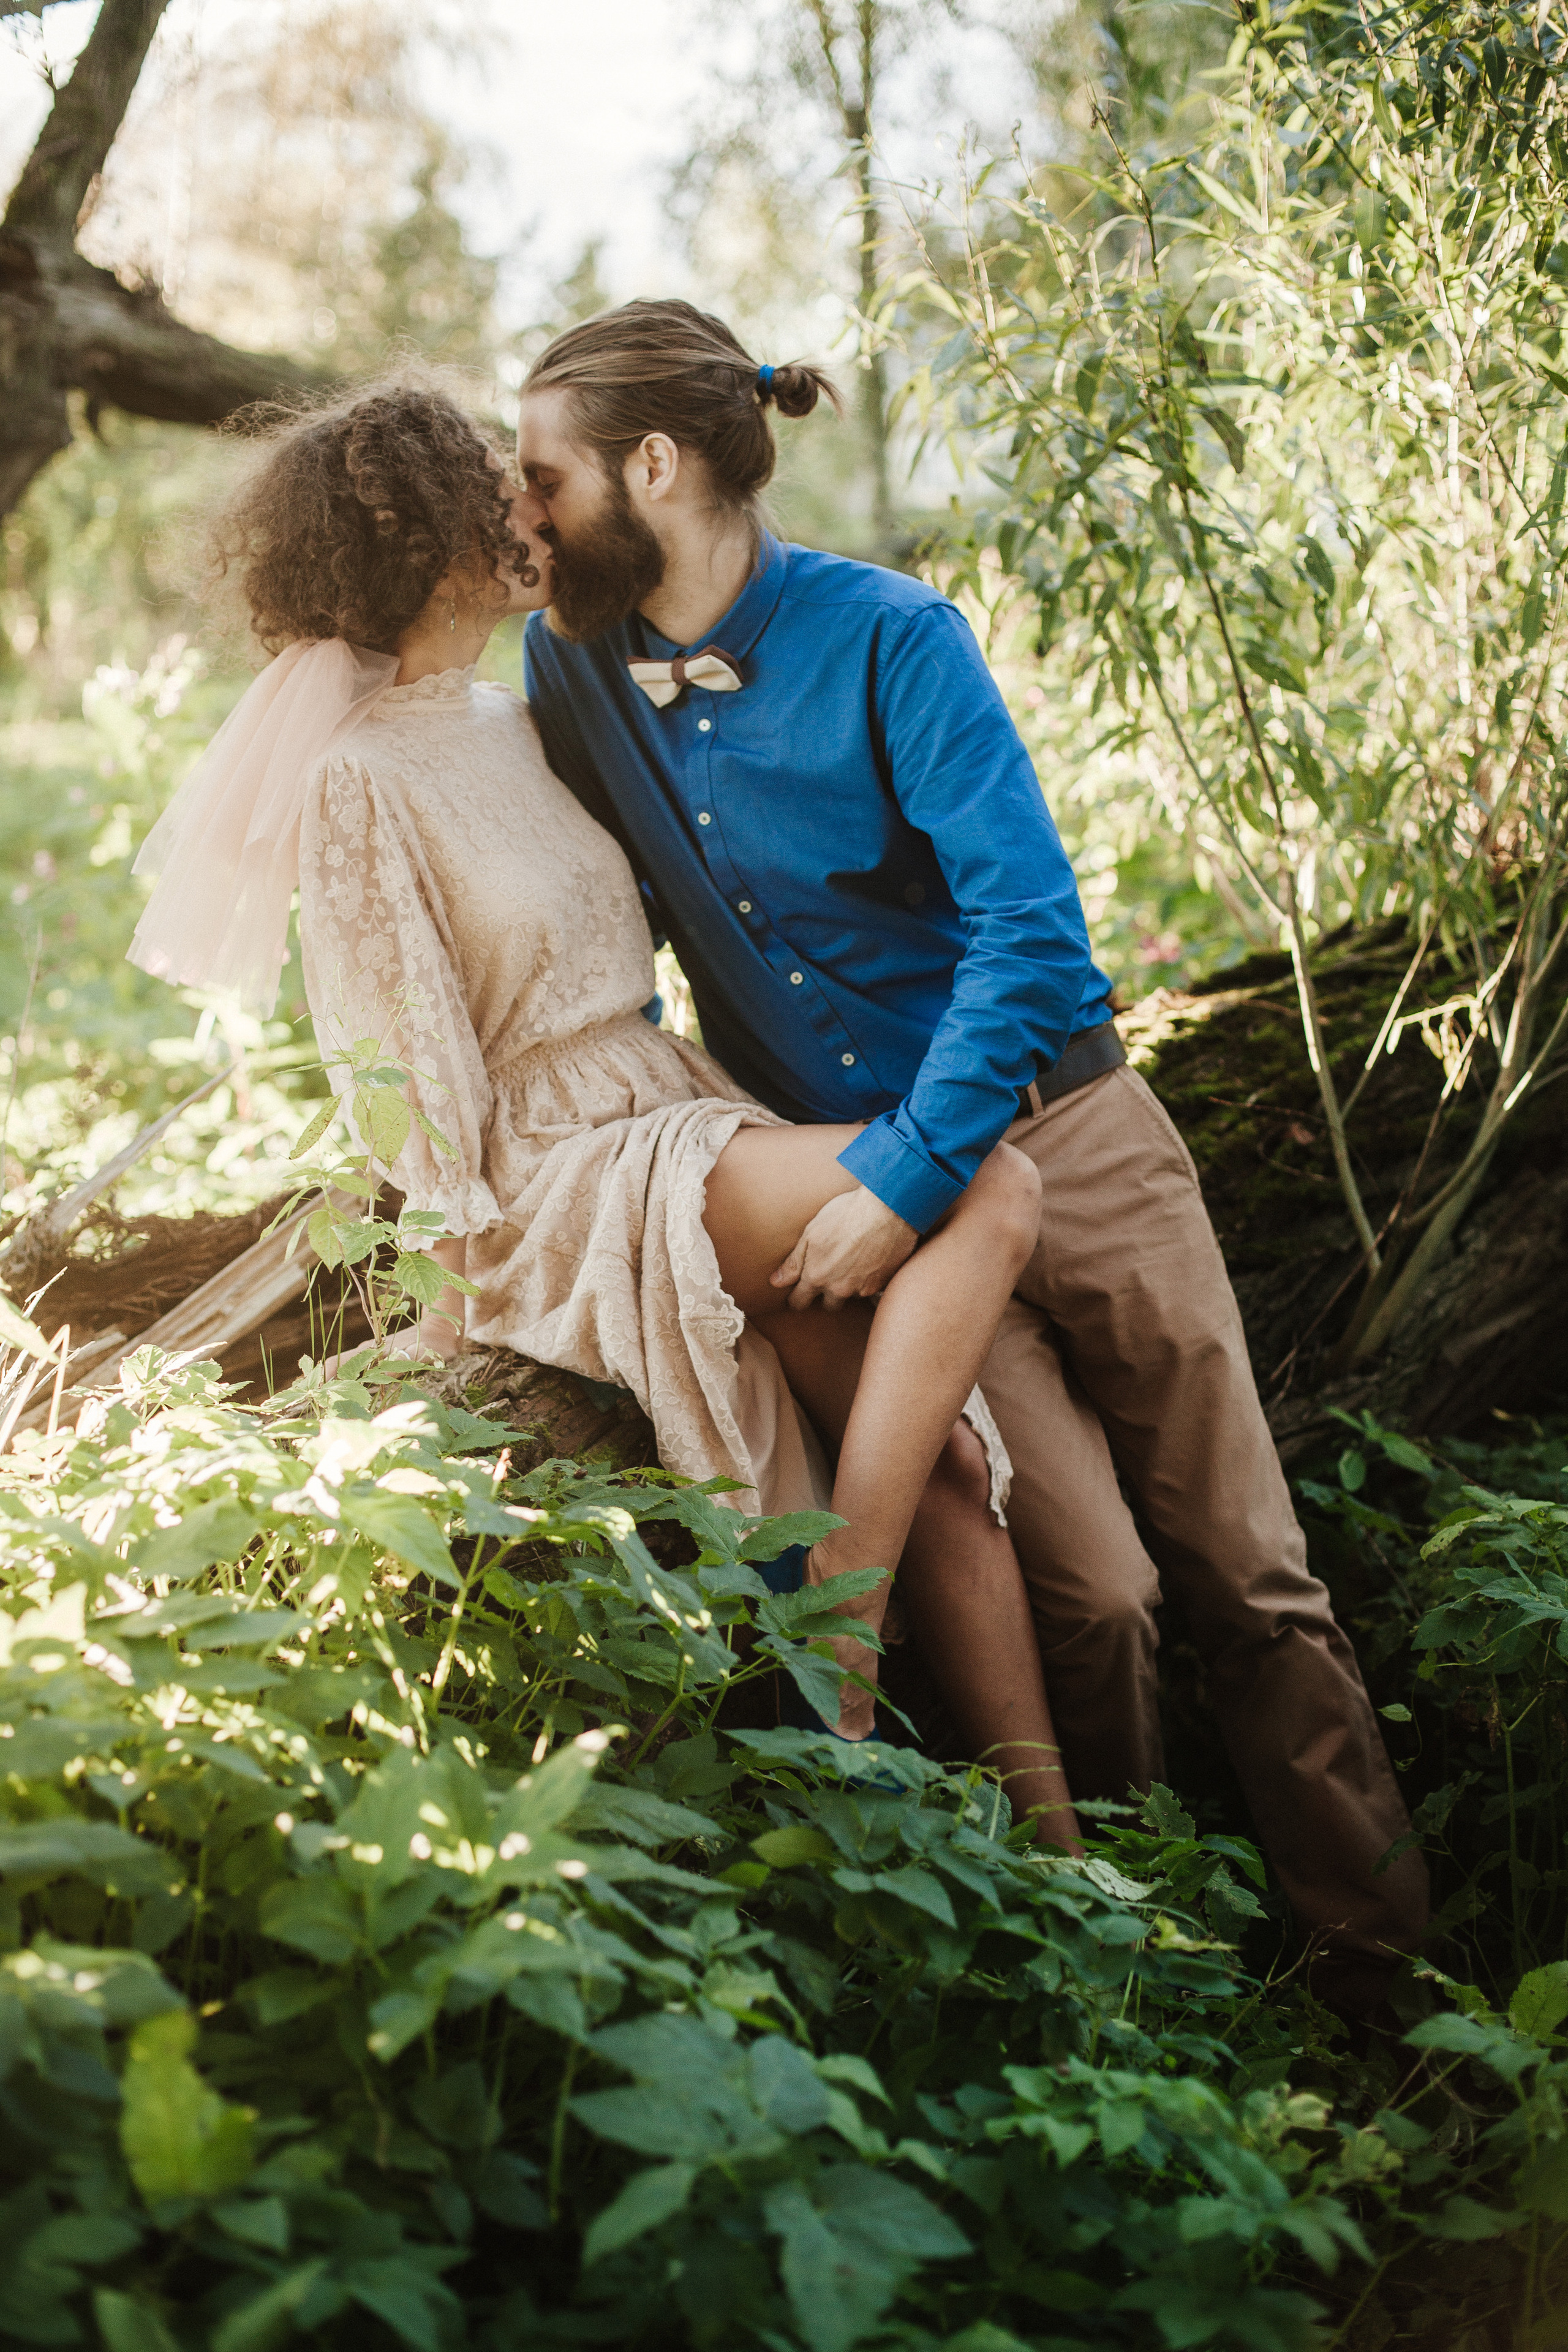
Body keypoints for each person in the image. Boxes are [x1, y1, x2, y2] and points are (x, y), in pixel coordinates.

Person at [514, 300, 1429, 2018]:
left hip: (1066, 1138)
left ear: (653, 467)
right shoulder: (568, 668)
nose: (525, 513)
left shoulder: (890, 636)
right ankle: (1140, 1974)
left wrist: (906, 1180)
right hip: (884, 1201)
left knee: (1249, 1571)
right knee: (1093, 1592)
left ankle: (1382, 1981)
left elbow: (1030, 932)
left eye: (542, 475)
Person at [124, 377, 1081, 1848]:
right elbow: (400, 1052)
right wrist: (453, 1286)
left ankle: (1063, 1865)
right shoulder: (358, 777)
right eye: (490, 492)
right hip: (555, 1169)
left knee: (946, 1463)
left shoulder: (514, 713)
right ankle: (843, 1617)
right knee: (991, 1187)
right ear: (426, 542)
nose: (527, 513)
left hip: (664, 1106)